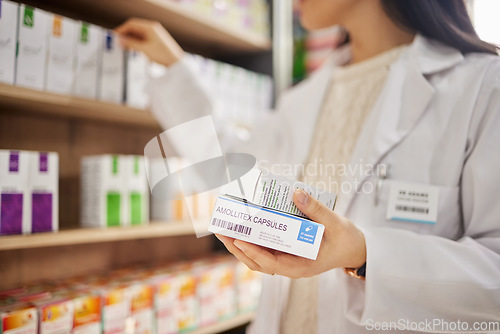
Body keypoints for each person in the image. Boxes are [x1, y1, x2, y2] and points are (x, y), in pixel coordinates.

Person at [116, 0, 500, 333]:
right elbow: (231, 171)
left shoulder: (483, 88)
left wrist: (364, 255)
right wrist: (175, 66)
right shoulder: (303, 99)